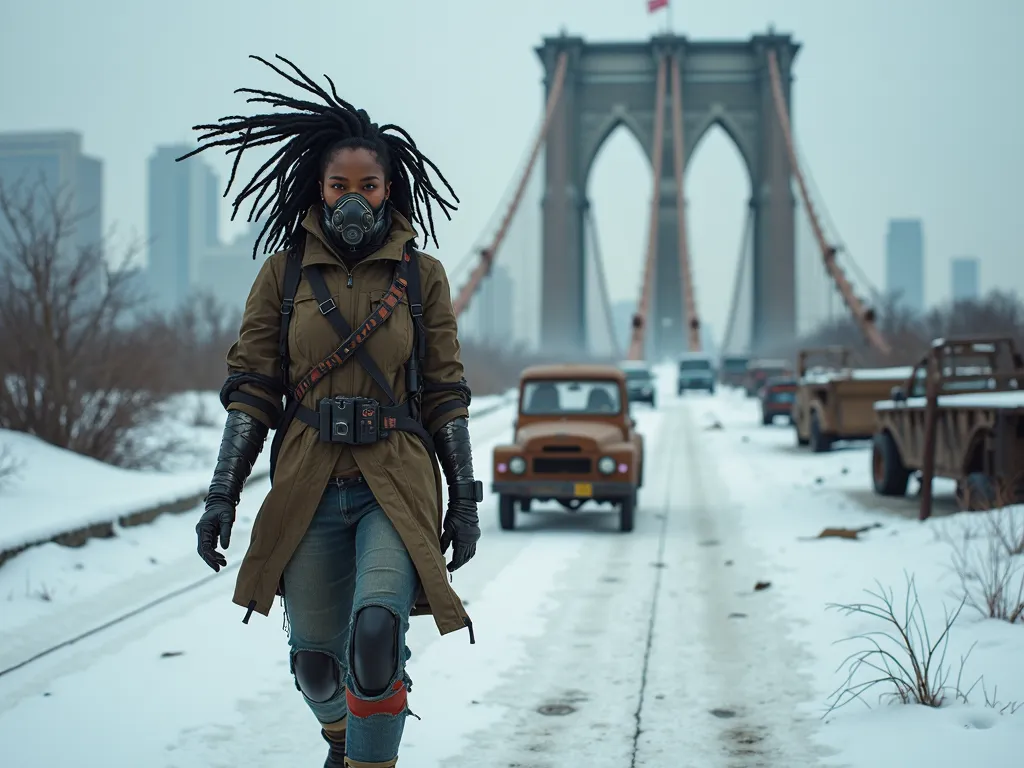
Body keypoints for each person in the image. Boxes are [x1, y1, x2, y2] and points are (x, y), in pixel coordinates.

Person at [181, 54, 482, 768]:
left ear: (389, 189)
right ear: (318, 187)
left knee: (375, 639)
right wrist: (222, 493)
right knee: (316, 663)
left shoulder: (422, 276)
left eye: (368, 185)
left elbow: (444, 390)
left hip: (395, 479)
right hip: (310, 479)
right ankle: (344, 741)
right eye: (340, 185)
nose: (354, 199)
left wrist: (463, 500)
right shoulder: (281, 275)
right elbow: (252, 387)